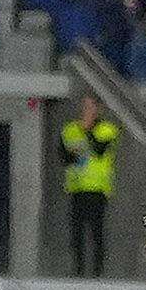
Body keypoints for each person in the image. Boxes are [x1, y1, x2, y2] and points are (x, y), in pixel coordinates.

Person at [58, 99, 120, 276]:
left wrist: (87, 131)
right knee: (76, 232)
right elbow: (64, 156)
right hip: (77, 189)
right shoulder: (70, 130)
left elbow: (100, 149)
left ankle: (96, 272)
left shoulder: (107, 130)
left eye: (91, 108)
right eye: (84, 107)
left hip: (97, 190)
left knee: (96, 232)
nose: (87, 111)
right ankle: (78, 270)